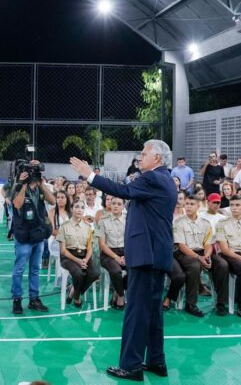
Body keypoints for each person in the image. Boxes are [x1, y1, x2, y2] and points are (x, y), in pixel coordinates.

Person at [69, 139, 177, 382]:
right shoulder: (165, 179)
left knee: (137, 311)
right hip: (155, 254)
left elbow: (123, 191)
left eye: (144, 153)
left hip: (146, 256)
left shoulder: (153, 178)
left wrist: (90, 175)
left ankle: (131, 366)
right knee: (152, 312)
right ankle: (156, 361)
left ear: (157, 158)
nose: (140, 157)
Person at [10, 159, 56, 315]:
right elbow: (17, 204)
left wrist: (42, 185)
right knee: (19, 269)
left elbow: (52, 201)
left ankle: (34, 299)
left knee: (35, 269)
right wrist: (23, 184)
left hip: (38, 234)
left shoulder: (40, 188)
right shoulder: (17, 186)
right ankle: (17, 299)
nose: (33, 175)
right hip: (23, 236)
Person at [173, 194, 216, 318]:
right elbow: (181, 245)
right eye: (186, 204)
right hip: (183, 253)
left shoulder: (205, 223)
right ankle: (191, 304)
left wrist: (207, 256)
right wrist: (199, 258)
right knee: (194, 265)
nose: (188, 207)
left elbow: (208, 244)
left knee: (222, 264)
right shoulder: (179, 222)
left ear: (198, 206)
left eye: (192, 204)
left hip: (202, 252)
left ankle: (221, 302)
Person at [57, 200, 99, 308]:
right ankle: (77, 297)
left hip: (84, 256)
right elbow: (63, 250)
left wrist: (85, 260)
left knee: (95, 274)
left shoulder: (88, 227)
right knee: (79, 274)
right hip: (68, 257)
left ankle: (74, 292)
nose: (79, 210)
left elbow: (89, 248)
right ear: (71, 209)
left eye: (82, 207)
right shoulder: (64, 226)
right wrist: (78, 261)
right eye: (77, 207)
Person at [98, 195, 128, 309]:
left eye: (119, 204)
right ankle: (121, 295)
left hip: (126, 252)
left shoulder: (128, 220)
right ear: (110, 204)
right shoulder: (103, 220)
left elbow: (132, 241)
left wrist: (126, 256)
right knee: (116, 271)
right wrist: (116, 257)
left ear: (123, 206)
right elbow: (102, 244)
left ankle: (117, 290)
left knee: (136, 270)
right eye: (114, 203)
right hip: (108, 253)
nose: (116, 206)